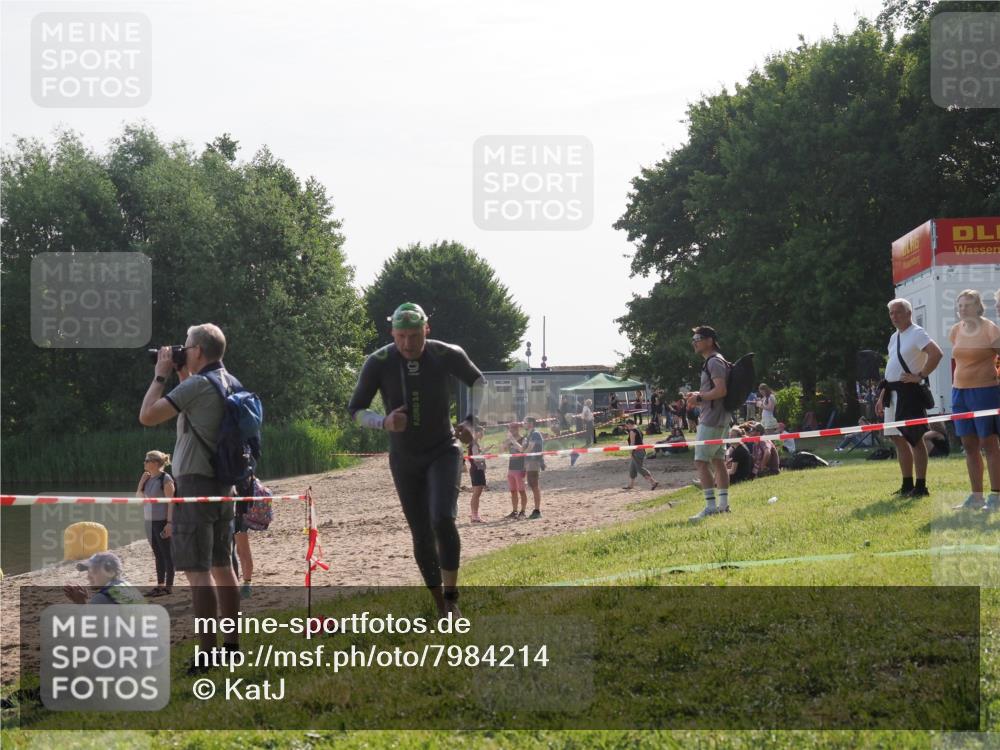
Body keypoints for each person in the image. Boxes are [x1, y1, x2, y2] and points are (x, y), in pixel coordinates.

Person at [348, 303, 485, 616]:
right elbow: (355, 410)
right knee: (421, 532)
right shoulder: (378, 361)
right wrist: (383, 422)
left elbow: (479, 383)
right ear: (392, 333)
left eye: (414, 336)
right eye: (400, 337)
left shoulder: (446, 353)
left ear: (427, 329)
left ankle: (452, 598)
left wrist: (472, 422)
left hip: (444, 448)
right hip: (405, 458)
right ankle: (440, 606)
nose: (408, 344)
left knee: (442, 519)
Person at [139, 323, 242, 665]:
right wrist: (183, 371)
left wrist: (160, 374)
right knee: (222, 566)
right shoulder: (228, 382)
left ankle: (207, 653)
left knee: (198, 572)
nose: (181, 350)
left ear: (198, 350)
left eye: (185, 347)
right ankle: (230, 645)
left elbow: (148, 416)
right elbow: (194, 411)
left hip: (195, 484)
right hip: (223, 485)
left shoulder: (198, 385)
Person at [875, 298, 943, 500]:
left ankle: (921, 486)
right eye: (891, 313)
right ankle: (907, 484)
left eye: (898, 312)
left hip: (909, 393)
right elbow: (891, 369)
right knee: (897, 438)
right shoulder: (894, 337)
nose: (894, 316)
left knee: (915, 438)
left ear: (908, 313)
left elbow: (936, 354)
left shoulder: (917, 333)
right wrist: (881, 397)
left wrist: (920, 375)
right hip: (892, 393)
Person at [948, 290, 1000, 512]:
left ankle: (996, 497)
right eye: (960, 305)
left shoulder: (990, 329)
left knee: (989, 445)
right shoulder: (955, 331)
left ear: (978, 307)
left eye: (967, 305)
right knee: (969, 446)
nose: (962, 309)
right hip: (959, 393)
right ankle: (976, 497)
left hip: (985, 392)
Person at [686, 325, 731, 520]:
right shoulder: (716, 361)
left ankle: (711, 507)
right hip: (720, 418)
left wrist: (699, 398)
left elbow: (721, 391)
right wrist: (699, 395)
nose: (694, 341)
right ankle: (723, 505)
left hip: (711, 419)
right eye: (693, 338)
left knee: (700, 462)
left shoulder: (714, 362)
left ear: (710, 340)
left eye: (698, 337)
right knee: (718, 460)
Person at [137, 450, 175, 597]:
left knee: (167, 554)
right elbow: (139, 500)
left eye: (146, 460)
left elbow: (172, 503)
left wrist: (170, 523)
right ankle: (160, 585)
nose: (144, 463)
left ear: (155, 463)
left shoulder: (165, 479)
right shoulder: (147, 479)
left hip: (162, 522)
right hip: (149, 522)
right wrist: (140, 483)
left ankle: (168, 587)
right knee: (158, 554)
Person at [64, 552, 144, 605]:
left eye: (94, 571)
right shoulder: (128, 587)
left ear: (111, 572)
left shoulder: (102, 597)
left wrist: (80, 602)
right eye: (88, 571)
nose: (88, 576)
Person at [621, 418, 659, 491]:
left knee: (639, 468)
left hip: (637, 451)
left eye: (627, 425)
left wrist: (631, 452)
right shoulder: (638, 429)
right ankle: (631, 485)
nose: (626, 427)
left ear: (629, 424)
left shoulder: (632, 431)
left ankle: (653, 482)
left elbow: (632, 444)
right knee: (632, 468)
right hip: (640, 450)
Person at [503, 422, 528, 518]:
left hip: (520, 468)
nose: (511, 430)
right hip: (511, 468)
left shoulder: (524, 439)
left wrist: (512, 440)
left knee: (521, 491)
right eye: (510, 429)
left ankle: (523, 511)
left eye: (512, 429)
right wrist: (507, 441)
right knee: (513, 491)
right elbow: (503, 449)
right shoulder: (510, 440)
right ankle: (514, 511)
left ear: (517, 429)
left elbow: (522, 449)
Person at [523, 417, 545, 519]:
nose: (524, 424)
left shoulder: (535, 434)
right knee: (532, 485)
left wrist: (522, 452)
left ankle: (537, 510)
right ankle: (536, 509)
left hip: (534, 461)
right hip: (529, 461)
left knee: (534, 485)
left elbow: (529, 448)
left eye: (525, 423)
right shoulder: (529, 434)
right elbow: (525, 449)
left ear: (531, 423)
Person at [466, 425, 487, 523]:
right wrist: (485, 455)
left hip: (475, 469)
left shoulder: (473, 443)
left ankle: (474, 514)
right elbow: (476, 458)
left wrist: (485, 451)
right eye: (482, 432)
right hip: (477, 469)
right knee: (477, 493)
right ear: (477, 433)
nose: (483, 434)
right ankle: (475, 515)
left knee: (476, 493)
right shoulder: (474, 444)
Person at [570, 398, 596, 467]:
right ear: (588, 403)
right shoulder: (585, 408)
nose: (591, 404)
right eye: (590, 403)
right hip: (588, 422)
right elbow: (583, 415)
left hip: (590, 421)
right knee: (588, 432)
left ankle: (590, 441)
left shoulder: (587, 408)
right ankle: (588, 442)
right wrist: (585, 419)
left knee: (590, 432)